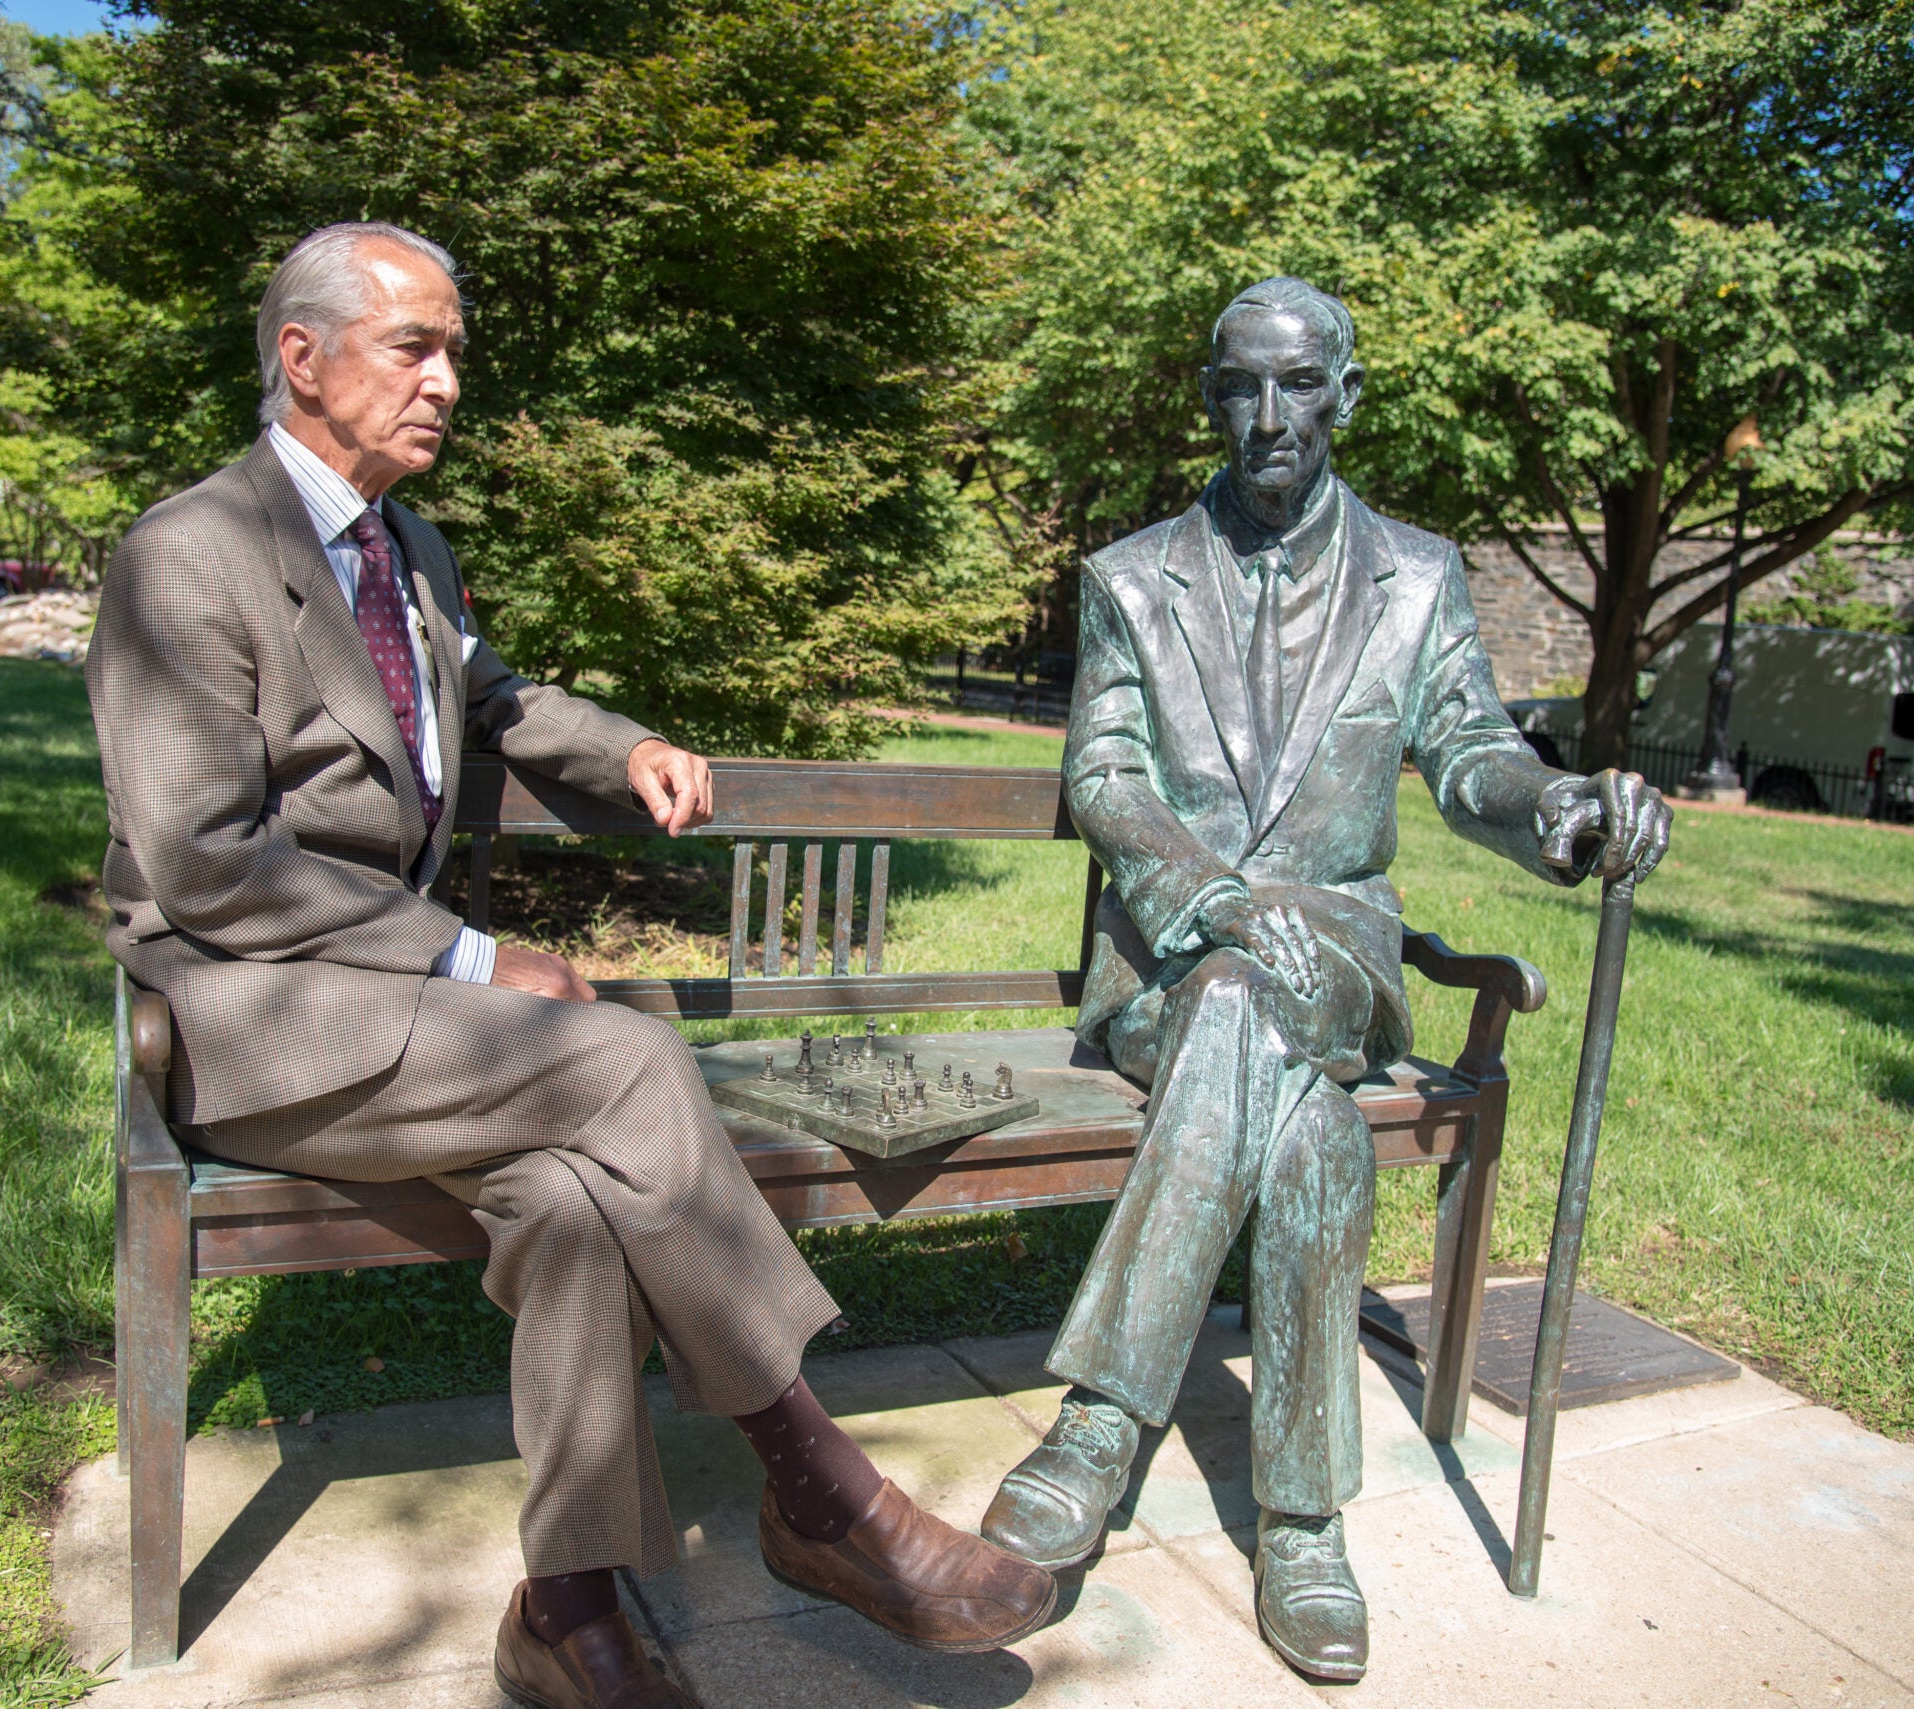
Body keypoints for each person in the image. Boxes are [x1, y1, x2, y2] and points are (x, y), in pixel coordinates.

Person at [84, 222, 1054, 1709]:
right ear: (303, 358)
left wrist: (634, 748)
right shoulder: (187, 557)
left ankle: (570, 1609)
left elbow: (497, 699)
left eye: (453, 349)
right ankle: (825, 1494)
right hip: (257, 1028)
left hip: (402, 1036)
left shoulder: (406, 550)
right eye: (417, 346)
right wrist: (471, 951)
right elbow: (208, 861)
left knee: (577, 1198)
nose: (449, 380)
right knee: (633, 1058)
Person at [977, 277, 1670, 1684]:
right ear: (1211, 399)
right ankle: (1301, 1519)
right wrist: (1217, 898)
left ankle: (1102, 1421)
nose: (1270, 415)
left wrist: (1555, 810)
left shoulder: (1419, 576)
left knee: (1261, 1016)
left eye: (1300, 385)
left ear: (1345, 394)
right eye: (1241, 386)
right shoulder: (1130, 576)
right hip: (1175, 965)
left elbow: (1472, 749)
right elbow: (1102, 773)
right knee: (1302, 1128)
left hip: (1341, 959)